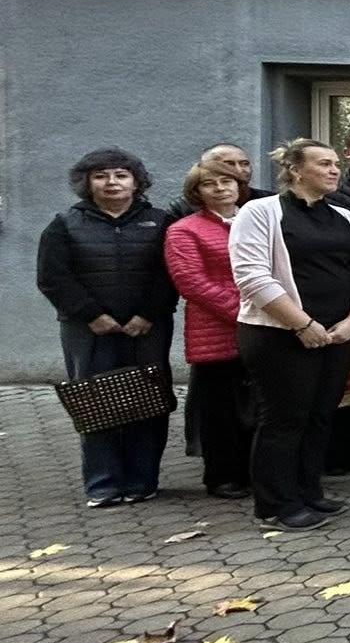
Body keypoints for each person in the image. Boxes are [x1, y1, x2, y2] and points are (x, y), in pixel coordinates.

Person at [228, 140, 350, 530]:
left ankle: (309, 492)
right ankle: (276, 505)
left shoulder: (344, 217)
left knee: (319, 416)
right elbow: (252, 276)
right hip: (278, 335)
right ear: (294, 170)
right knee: (283, 418)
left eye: (334, 164)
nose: (334, 170)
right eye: (324, 164)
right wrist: (301, 324)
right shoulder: (260, 212)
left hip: (337, 334)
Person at [38, 147, 177, 507]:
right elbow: (53, 278)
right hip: (87, 331)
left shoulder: (161, 222)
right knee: (95, 403)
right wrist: (91, 315)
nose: (111, 182)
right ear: (87, 183)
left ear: (136, 181)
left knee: (148, 401)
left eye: (120, 175)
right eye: (101, 176)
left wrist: (147, 314)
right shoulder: (64, 223)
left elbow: (170, 274)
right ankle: (103, 484)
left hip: (147, 327)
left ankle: (143, 480)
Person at [164, 156, 254, 499]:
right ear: (196, 191)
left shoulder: (254, 221)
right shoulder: (184, 229)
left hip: (262, 326)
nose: (220, 189)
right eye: (210, 184)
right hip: (215, 330)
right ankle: (222, 476)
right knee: (220, 409)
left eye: (227, 182)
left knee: (255, 407)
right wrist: (247, 309)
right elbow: (192, 283)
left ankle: (252, 471)